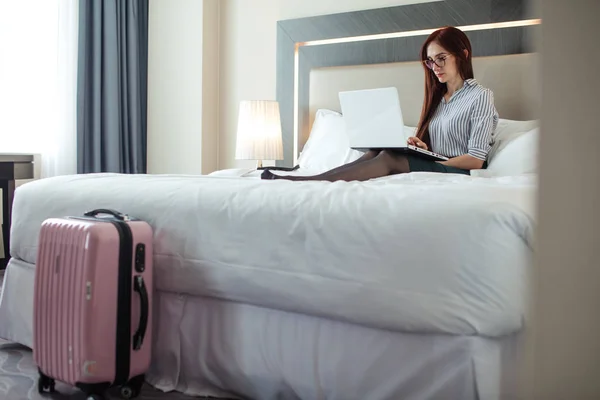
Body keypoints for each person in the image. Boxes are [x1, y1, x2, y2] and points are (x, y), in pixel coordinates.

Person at [261, 26, 498, 182]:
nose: (435, 67)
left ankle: (307, 182)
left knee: (388, 159)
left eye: (441, 58)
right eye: (430, 61)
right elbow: (443, 145)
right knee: (380, 150)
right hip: (440, 164)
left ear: (463, 55)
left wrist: (432, 161)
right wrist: (423, 149)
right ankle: (314, 178)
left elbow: (476, 159)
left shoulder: (481, 96)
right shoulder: (439, 99)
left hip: (460, 172)